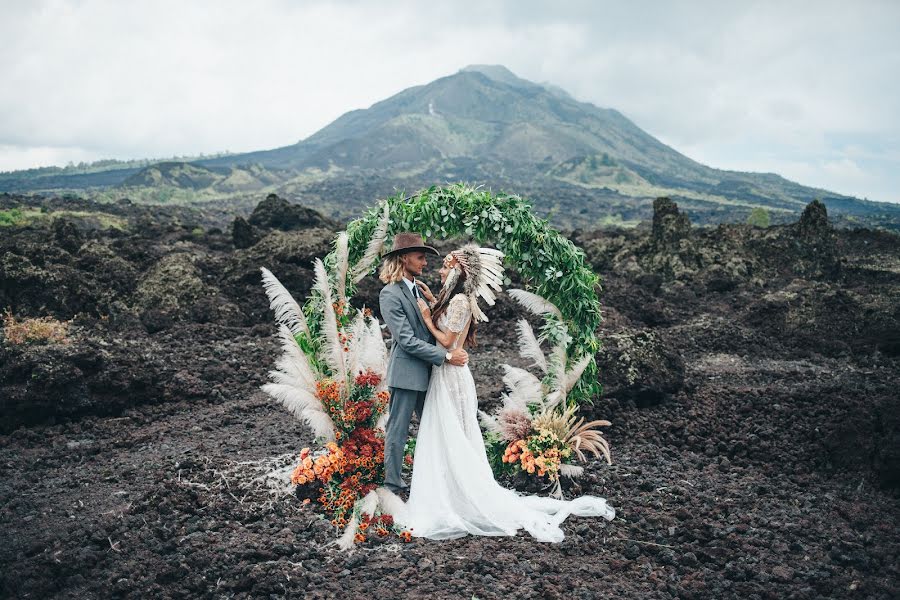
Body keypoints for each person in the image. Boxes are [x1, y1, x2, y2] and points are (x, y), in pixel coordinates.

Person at [389, 244, 616, 542]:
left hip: (451, 375)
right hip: (444, 374)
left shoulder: (459, 300)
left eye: (446, 266)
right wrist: (433, 303)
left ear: (458, 270)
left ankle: (457, 493)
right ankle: (451, 488)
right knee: (446, 433)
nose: (440, 270)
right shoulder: (449, 298)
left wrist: (429, 318)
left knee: (453, 432)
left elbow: (446, 340)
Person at [378, 233, 469, 496]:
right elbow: (406, 340)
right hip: (406, 374)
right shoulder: (390, 294)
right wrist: (447, 357)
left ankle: (439, 480)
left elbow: (433, 324)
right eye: (420, 257)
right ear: (404, 258)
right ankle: (393, 485)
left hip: (430, 373)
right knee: (398, 430)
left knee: (435, 428)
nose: (425, 263)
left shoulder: (418, 288)